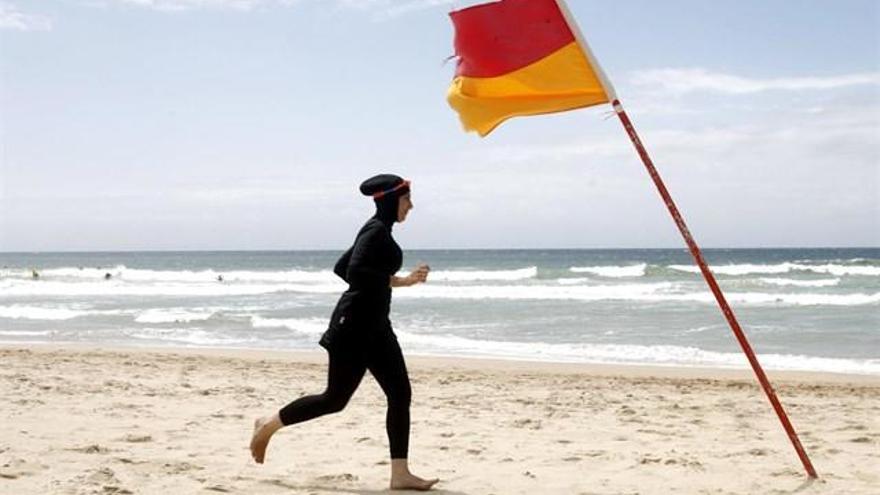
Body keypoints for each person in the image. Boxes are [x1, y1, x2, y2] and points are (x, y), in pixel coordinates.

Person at [249, 174, 437, 491]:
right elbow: (354, 272)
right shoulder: (376, 231)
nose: (411, 206)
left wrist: (401, 281)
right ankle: (268, 423)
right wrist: (400, 281)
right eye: (407, 200)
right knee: (334, 399)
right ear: (393, 200)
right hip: (354, 327)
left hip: (377, 326)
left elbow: (344, 268)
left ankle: (400, 474)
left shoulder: (375, 230)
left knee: (400, 393)